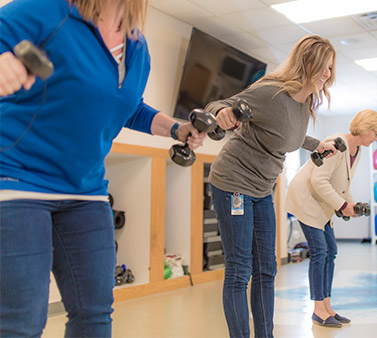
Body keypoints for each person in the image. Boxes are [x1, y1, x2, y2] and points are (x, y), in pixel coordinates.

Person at [0, 0, 206, 336]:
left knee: (94, 315)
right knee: (21, 320)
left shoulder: (137, 46)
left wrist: (175, 128)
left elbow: (128, 106)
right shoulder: (43, 10)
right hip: (18, 179)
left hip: (86, 190)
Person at [204, 35, 337, 338]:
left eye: (330, 68)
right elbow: (218, 104)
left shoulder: (306, 102)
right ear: (306, 63)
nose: (327, 73)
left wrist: (318, 144)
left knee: (267, 268)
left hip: (262, 189)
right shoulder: (271, 92)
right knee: (239, 270)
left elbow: (288, 135)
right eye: (323, 66)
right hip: (234, 183)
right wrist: (221, 113)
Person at [285, 109, 377, 328]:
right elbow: (318, 180)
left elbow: (343, 183)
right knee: (320, 252)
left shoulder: (356, 149)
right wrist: (342, 205)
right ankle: (318, 310)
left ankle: (327, 306)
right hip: (307, 200)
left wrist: (350, 205)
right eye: (376, 134)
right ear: (367, 129)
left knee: (332, 251)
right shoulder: (336, 144)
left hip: (322, 204)